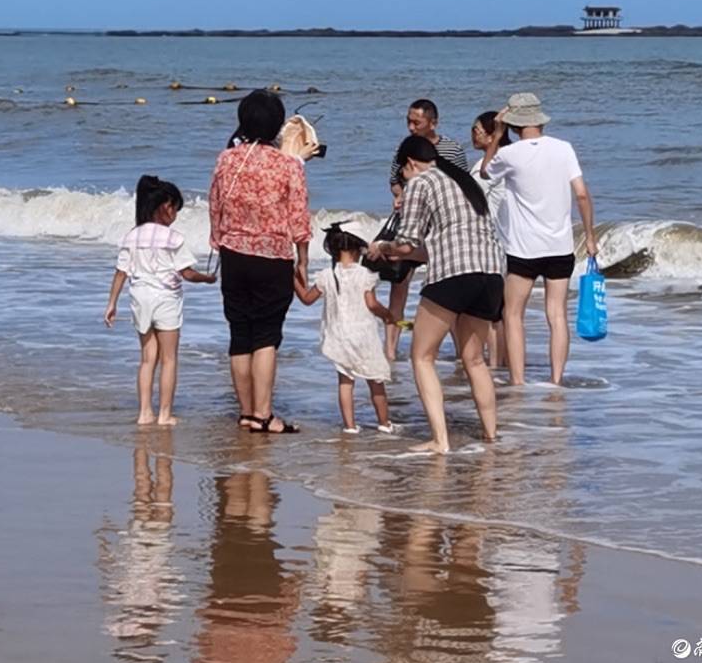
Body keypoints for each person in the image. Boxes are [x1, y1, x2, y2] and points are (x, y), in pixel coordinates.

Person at [368, 135, 504, 454]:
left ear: (410, 163)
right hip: (492, 273)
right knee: (474, 360)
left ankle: (440, 440)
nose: (403, 180)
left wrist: (381, 247)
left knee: (421, 356)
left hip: (454, 275)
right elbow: (432, 250)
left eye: (402, 173)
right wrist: (398, 252)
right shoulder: (466, 182)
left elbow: (405, 244)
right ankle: (491, 436)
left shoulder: (421, 182)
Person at [209, 90, 316, 434]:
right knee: (267, 337)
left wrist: (218, 240)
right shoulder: (288, 164)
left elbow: (215, 204)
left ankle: (245, 412)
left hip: (234, 255)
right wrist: (303, 261)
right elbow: (298, 218)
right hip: (272, 257)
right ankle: (264, 414)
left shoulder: (227, 159)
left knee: (240, 334)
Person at [481, 92, 599, 386]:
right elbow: (582, 194)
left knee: (513, 315)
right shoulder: (564, 149)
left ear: (513, 122)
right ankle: (556, 380)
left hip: (523, 249)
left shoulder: (509, 154)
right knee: (557, 315)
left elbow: (485, 173)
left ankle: (518, 381)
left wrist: (496, 135)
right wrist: (591, 236)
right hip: (559, 246)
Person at [104, 175, 216, 425]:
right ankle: (164, 413)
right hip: (166, 299)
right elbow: (187, 273)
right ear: (165, 207)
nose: (175, 212)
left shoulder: (132, 236)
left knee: (147, 358)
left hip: (139, 297)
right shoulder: (172, 238)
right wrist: (207, 279)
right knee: (169, 358)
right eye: (174, 207)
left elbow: (121, 271)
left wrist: (112, 303)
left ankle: (144, 412)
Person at [293, 221, 398, 434]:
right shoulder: (365, 274)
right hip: (364, 336)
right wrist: (388, 315)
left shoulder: (326, 275)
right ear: (357, 248)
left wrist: (293, 277)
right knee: (376, 379)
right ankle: (384, 423)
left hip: (338, 335)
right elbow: (371, 304)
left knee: (345, 382)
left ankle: (350, 426)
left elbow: (306, 299)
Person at [385, 99, 469, 360]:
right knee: (399, 286)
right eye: (408, 121)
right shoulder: (404, 148)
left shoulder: (452, 150)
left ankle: (459, 352)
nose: (411, 127)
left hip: (441, 229)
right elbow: (394, 181)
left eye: (417, 122)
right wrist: (401, 196)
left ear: (433, 123)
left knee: (448, 288)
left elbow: (463, 187)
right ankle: (390, 351)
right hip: (409, 223)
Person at [470, 110, 511, 370]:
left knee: (493, 313)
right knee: (501, 312)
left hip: (491, 242)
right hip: (505, 241)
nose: (472, 134)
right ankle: (501, 364)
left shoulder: (493, 163)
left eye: (476, 130)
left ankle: (495, 366)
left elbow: (480, 190)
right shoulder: (510, 160)